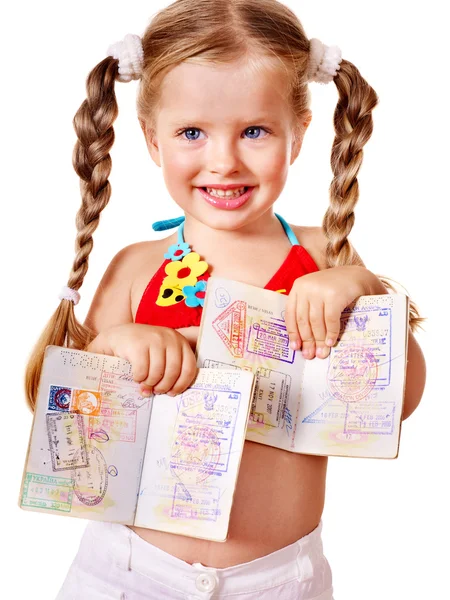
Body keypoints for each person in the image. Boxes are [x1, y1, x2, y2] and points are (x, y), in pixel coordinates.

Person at [24, 1, 427, 598]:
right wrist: (117, 344)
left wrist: (360, 290)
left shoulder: (325, 255)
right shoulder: (138, 267)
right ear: (152, 140)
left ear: (299, 135)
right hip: (131, 573)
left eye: (254, 131)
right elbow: (70, 427)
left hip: (280, 581)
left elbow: (401, 403)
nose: (224, 161)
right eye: (192, 132)